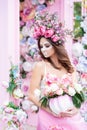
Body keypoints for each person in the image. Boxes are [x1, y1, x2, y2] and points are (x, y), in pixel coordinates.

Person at [28, 13, 87, 129]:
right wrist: (50, 111)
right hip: (48, 117)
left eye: (46, 46)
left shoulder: (70, 67)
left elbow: (77, 94)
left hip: (70, 117)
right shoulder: (41, 66)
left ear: (56, 46)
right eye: (41, 47)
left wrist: (76, 109)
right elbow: (31, 95)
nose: (43, 50)